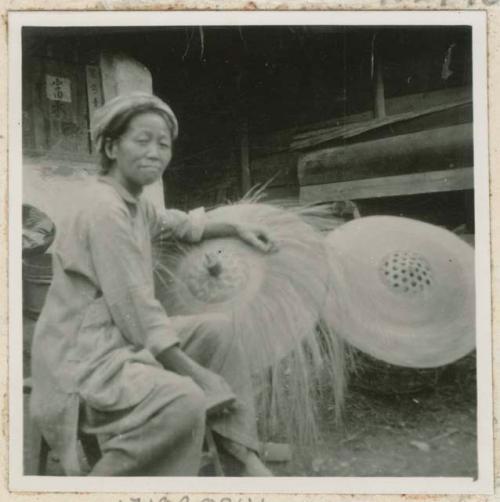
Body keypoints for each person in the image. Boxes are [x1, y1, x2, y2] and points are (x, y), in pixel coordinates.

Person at [30, 92, 275, 477]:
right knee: (185, 398)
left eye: (164, 144)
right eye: (141, 140)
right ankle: (104, 483)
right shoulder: (103, 209)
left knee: (218, 331)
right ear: (111, 146)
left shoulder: (133, 203)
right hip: (82, 357)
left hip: (115, 341)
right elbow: (135, 309)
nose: (155, 152)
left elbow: (174, 223)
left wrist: (235, 226)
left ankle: (239, 449)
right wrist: (197, 374)